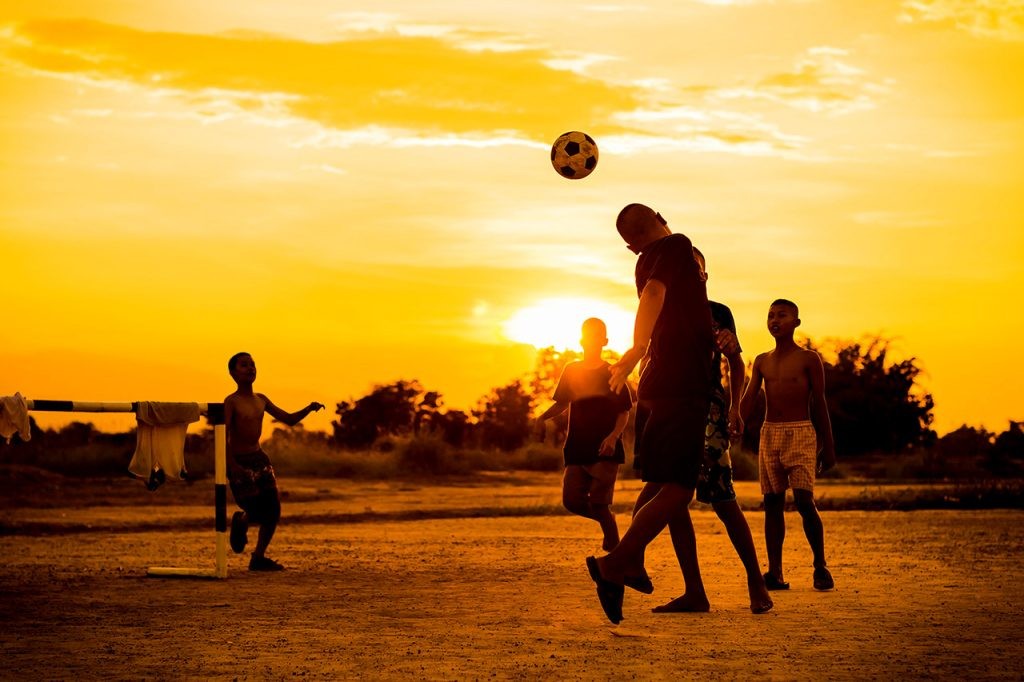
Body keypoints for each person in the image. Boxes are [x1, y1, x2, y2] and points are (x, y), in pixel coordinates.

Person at [585, 203, 717, 625]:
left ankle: (662, 575)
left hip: (660, 383)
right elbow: (656, 296)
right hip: (683, 382)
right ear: (661, 216)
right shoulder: (677, 245)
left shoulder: (644, 263)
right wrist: (637, 348)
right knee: (681, 487)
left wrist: (638, 356)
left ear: (629, 246)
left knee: (661, 483)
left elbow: (652, 297)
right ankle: (616, 563)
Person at [631, 247, 773, 614]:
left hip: (705, 410)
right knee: (668, 498)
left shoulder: (716, 313)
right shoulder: (660, 306)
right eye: (688, 268)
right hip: (667, 407)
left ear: (704, 276)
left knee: (723, 500)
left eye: (698, 269)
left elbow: (736, 361)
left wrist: (735, 407)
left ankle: (756, 581)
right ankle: (693, 590)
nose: (693, 274)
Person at [738, 299, 837, 591]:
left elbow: (819, 402)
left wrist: (827, 445)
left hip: (802, 433)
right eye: (770, 315)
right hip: (770, 435)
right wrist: (735, 423)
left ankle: (820, 566)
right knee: (772, 504)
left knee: (805, 501)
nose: (774, 320)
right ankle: (775, 572)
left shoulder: (809, 359)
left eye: (781, 315)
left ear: (796, 322)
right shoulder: (762, 360)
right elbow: (749, 397)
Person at [535, 318, 634, 552]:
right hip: (577, 447)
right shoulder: (572, 370)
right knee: (571, 501)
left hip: (604, 449)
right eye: (588, 336)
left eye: (597, 336)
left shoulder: (613, 372)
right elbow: (562, 403)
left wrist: (613, 437)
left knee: (600, 505)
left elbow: (624, 412)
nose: (592, 340)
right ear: (581, 340)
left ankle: (615, 552)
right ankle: (611, 529)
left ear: (605, 341)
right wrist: (541, 418)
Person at [224, 352, 324, 571]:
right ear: (232, 372)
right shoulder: (231, 402)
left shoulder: (261, 399)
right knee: (254, 507)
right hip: (239, 461)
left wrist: (308, 408)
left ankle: (258, 557)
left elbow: (288, 419)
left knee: (273, 509)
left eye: (252, 365)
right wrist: (232, 465)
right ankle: (242, 519)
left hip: (260, 459)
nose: (250, 368)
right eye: (244, 365)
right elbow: (224, 435)